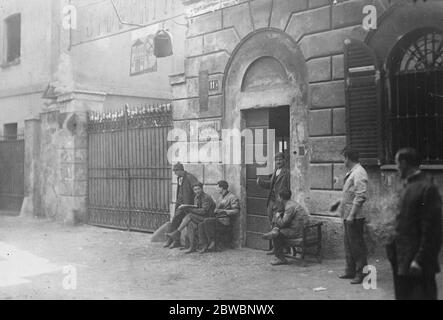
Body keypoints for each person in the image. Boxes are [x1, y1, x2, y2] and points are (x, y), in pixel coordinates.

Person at [386, 148, 442, 300]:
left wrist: (420, 260)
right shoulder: (407, 187)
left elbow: (432, 231)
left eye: (397, 164)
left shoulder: (427, 188)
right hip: (403, 261)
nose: (397, 168)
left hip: (417, 265)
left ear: (404, 163)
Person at [330, 147, 369, 284]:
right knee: (349, 245)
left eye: (343, 158)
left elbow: (360, 196)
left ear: (348, 157)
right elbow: (349, 194)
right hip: (348, 215)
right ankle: (351, 271)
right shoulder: (352, 172)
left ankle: (361, 273)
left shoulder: (359, 172)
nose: (343, 160)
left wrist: (352, 215)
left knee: (357, 246)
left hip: (355, 217)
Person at [166, 183, 216, 254]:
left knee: (190, 216)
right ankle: (192, 247)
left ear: (202, 189)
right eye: (195, 190)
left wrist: (190, 209)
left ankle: (177, 232)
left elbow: (204, 211)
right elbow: (196, 208)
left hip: (207, 218)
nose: (197, 191)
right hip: (200, 218)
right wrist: (187, 207)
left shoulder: (206, 197)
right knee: (190, 224)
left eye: (198, 189)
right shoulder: (196, 197)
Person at [262, 190, 308, 266]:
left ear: (281, 198)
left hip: (298, 231)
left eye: (278, 196)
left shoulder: (289, 207)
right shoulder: (292, 203)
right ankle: (274, 231)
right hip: (299, 228)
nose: (278, 198)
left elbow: (283, 223)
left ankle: (280, 259)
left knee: (277, 235)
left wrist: (277, 216)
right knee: (277, 230)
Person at [164, 163, 200, 249]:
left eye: (176, 171)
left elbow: (197, 189)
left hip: (188, 205)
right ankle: (174, 240)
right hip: (180, 204)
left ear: (180, 170)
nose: (175, 173)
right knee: (176, 220)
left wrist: (194, 202)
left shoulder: (190, 177)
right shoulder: (179, 178)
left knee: (182, 222)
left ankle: (179, 241)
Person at [198, 181, 240, 254]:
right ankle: (204, 245)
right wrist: (215, 210)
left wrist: (224, 211)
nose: (216, 189)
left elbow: (236, 210)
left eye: (217, 188)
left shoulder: (232, 197)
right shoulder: (220, 197)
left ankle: (213, 242)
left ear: (222, 188)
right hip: (218, 220)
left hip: (225, 222)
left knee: (207, 221)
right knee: (201, 224)